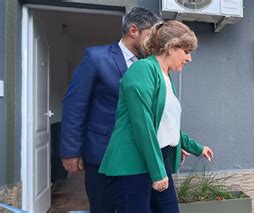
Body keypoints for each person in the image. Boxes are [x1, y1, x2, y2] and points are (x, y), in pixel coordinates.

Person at [99, 20, 214, 213]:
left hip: (156, 159)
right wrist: (158, 172)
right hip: (133, 165)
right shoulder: (143, 69)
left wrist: (196, 147)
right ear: (170, 47)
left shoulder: (165, 77)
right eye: (187, 51)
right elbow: (142, 124)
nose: (189, 58)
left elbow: (165, 123)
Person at [60, 7, 161, 213]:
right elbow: (75, 106)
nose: (155, 43)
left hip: (139, 157)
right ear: (134, 30)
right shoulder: (96, 57)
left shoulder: (150, 66)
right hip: (102, 154)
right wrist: (71, 151)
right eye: (152, 35)